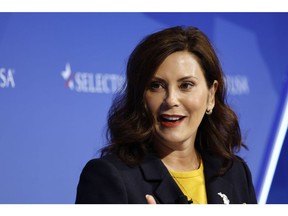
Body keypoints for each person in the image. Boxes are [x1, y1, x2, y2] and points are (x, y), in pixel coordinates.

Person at [75, 26, 257, 204]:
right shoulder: (109, 177)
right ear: (140, 96)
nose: (171, 100)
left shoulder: (235, 173)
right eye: (156, 86)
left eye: (186, 85)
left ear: (211, 95)